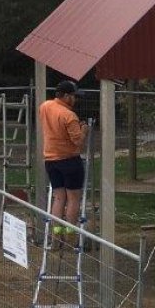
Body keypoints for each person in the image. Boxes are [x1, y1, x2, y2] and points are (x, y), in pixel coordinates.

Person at [40, 80, 88, 230]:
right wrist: (84, 130)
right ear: (66, 96)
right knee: (74, 198)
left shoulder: (45, 106)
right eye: (74, 96)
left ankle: (56, 232)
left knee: (59, 197)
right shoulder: (69, 115)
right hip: (69, 161)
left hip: (50, 160)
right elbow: (78, 141)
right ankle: (70, 233)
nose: (75, 100)